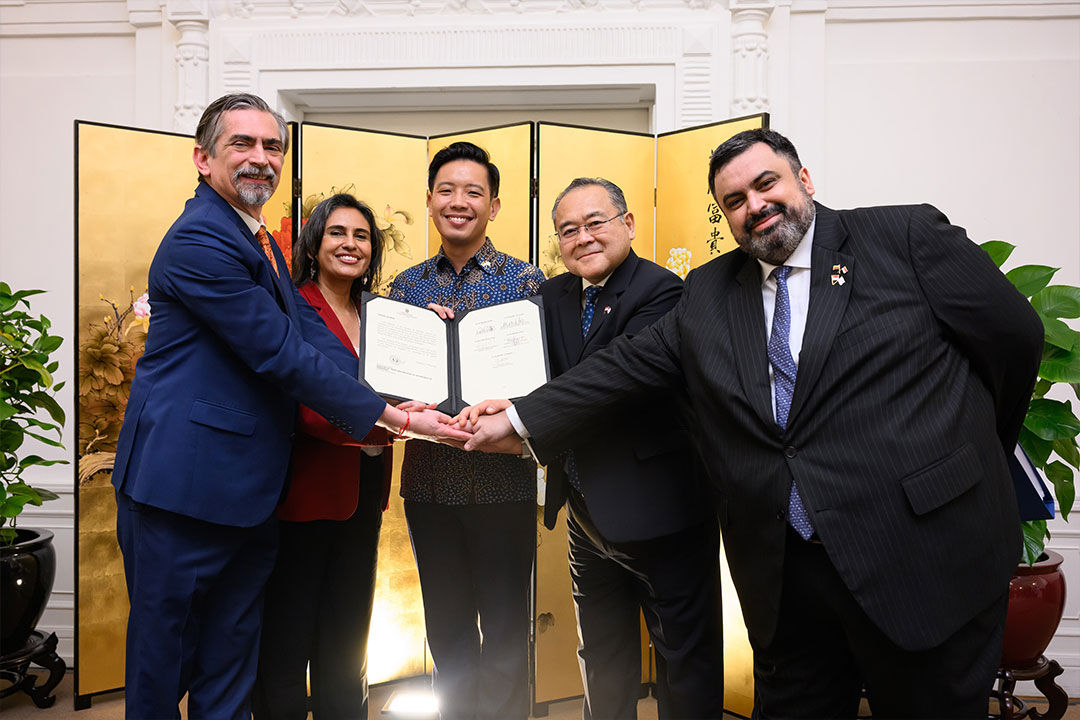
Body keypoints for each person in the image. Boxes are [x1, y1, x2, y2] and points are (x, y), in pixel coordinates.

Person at [463, 128, 1044, 718]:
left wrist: (969, 453)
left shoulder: (904, 236)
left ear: (804, 180)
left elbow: (1015, 342)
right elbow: (628, 365)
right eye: (734, 201)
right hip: (786, 575)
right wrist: (518, 416)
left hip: (918, 554)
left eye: (766, 184)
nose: (755, 206)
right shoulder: (711, 290)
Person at [111, 93, 468, 720]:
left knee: (229, 663)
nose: (260, 159)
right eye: (241, 145)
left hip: (251, 496)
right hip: (182, 490)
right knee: (163, 666)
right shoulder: (200, 239)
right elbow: (282, 355)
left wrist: (423, 346)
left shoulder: (258, 242)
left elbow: (318, 358)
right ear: (202, 159)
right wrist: (402, 421)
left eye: (272, 146)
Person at [464, 177, 725, 719]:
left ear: (628, 224)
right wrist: (458, 349)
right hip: (587, 517)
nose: (581, 238)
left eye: (595, 223)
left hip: (663, 515)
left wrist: (518, 421)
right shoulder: (554, 295)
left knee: (684, 666)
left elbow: (612, 385)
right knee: (602, 661)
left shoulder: (664, 293)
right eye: (567, 229)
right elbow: (528, 372)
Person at [387, 141, 545, 720]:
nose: (459, 203)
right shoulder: (404, 288)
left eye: (473, 192)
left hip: (503, 481)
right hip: (430, 485)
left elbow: (546, 378)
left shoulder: (528, 282)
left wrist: (504, 411)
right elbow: (384, 384)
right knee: (447, 624)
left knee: (505, 624)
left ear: (495, 206)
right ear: (429, 200)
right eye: (446, 191)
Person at [252, 194, 398, 719]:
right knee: (287, 639)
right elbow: (293, 397)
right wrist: (377, 430)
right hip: (303, 493)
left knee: (347, 635)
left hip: (363, 494)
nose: (350, 245)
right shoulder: (289, 304)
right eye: (337, 233)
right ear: (314, 244)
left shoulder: (385, 315)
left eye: (361, 236)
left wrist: (439, 336)